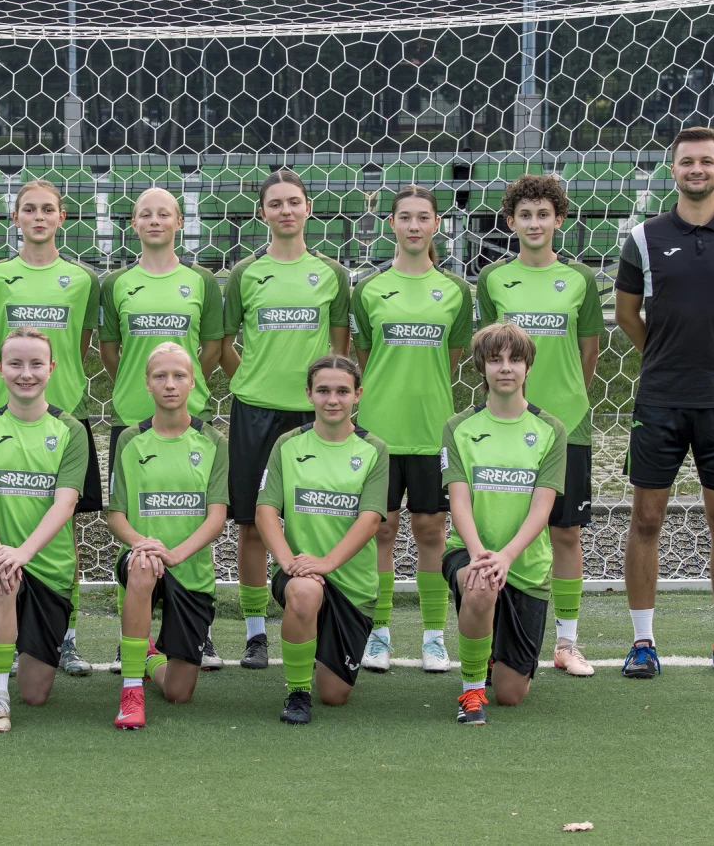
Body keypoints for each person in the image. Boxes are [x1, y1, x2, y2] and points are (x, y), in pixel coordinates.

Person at [614, 126, 714, 679]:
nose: (697, 170)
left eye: (707, 161)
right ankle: (642, 642)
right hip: (660, 398)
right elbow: (627, 314)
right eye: (687, 161)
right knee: (646, 518)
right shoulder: (644, 237)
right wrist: (665, 355)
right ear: (674, 169)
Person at [223, 169, 351, 670]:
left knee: (311, 520)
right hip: (254, 411)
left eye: (294, 202)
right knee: (253, 523)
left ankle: (316, 620)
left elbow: (339, 348)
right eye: (275, 203)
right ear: (262, 213)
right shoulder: (245, 273)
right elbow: (224, 344)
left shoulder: (331, 273)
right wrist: (253, 381)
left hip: (310, 415)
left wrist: (325, 399)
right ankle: (255, 633)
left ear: (308, 208)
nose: (285, 211)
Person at [476, 173, 601, 677]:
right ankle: (492, 642)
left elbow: (588, 351)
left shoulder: (580, 279)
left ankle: (567, 643)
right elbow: (488, 351)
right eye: (524, 215)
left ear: (559, 221)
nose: (534, 223)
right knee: (500, 530)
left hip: (566, 424)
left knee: (565, 533)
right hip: (505, 424)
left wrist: (563, 400)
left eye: (543, 214)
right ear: (510, 222)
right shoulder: (492, 279)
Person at [100, 187, 225, 670]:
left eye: (164, 214)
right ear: (133, 223)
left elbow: (210, 348)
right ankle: (132, 638)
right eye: (145, 214)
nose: (155, 221)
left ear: (179, 222)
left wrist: (180, 385)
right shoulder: (116, 282)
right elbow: (111, 350)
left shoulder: (201, 281)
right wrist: (141, 387)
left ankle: (199, 634)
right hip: (132, 417)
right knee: (135, 524)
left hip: (189, 420)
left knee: (191, 517)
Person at [0, 181, 101, 676]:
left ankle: (64, 637)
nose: (38, 217)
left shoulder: (82, 279)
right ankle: (8, 632)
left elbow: (80, 342)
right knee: (5, 513)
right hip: (8, 415)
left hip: (64, 414)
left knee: (64, 528)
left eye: (47, 209)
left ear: (61, 217)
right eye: (28, 209)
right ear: (15, 217)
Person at [351, 185, 471, 674]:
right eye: (406, 217)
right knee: (380, 529)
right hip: (379, 431)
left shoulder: (455, 291)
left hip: (431, 430)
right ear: (392, 224)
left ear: (436, 224)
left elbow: (452, 357)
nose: (415, 226)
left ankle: (433, 637)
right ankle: (378, 633)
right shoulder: (369, 289)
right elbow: (365, 357)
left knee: (430, 530)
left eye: (424, 217)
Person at [440, 323, 567, 726]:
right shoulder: (458, 427)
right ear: (482, 367)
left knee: (511, 695)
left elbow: (542, 509)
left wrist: (507, 556)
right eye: (495, 360)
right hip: (470, 553)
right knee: (481, 583)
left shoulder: (551, 430)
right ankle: (472, 691)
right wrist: (480, 555)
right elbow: (459, 502)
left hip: (525, 564)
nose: (506, 368)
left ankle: (495, 655)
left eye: (515, 359)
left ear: (528, 367)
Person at [0, 328, 90, 732]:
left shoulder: (71, 430)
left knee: (36, 694)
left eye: (36, 364)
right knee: (4, 579)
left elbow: (65, 504)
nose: (26, 373)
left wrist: (24, 553)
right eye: (15, 364)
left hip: (47, 565)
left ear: (51, 368)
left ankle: (17, 640)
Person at [255, 354, 388, 724]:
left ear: (358, 395)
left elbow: (370, 520)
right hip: (300, 572)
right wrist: (289, 563)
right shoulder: (288, 444)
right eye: (323, 390)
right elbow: (264, 511)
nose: (333, 399)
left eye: (342, 391)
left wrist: (327, 563)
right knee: (303, 591)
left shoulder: (373, 449)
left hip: (352, 585)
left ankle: (314, 642)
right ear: (309, 394)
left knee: (334, 695)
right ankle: (298, 693)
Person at [107, 343, 229, 728]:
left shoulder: (214, 441)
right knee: (143, 566)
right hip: (143, 559)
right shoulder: (130, 439)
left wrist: (175, 555)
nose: (170, 384)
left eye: (179, 375)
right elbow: (116, 516)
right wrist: (141, 544)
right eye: (160, 376)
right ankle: (131, 692)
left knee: (179, 693)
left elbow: (217, 518)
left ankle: (149, 658)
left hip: (190, 570)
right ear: (147, 384)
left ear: (193, 382)